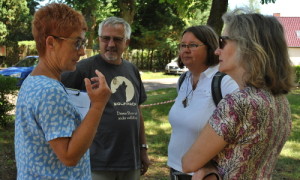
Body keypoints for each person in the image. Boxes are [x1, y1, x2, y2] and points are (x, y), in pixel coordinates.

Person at [182, 10, 295, 179]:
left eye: (222, 42)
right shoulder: (280, 102)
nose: (217, 51)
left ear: (247, 47)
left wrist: (207, 168)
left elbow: (188, 163)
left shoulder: (238, 103)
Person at [14, 3, 111, 179]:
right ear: (51, 42)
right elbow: (69, 156)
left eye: (83, 42)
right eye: (77, 43)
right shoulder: (49, 91)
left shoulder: (33, 80)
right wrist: (97, 106)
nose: (82, 51)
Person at [61, 16, 150, 180]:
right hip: (96, 164)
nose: (111, 44)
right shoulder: (82, 69)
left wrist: (142, 148)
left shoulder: (132, 70)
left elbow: (137, 111)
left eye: (117, 39)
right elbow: (60, 107)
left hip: (131, 162)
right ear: (98, 40)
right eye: (106, 38)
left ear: (127, 43)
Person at [167, 25, 239, 180]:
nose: (185, 50)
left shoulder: (223, 82)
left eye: (193, 45)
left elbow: (239, 130)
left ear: (210, 48)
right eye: (183, 45)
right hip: (174, 170)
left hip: (202, 175)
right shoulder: (183, 80)